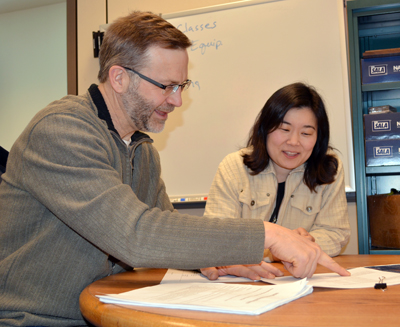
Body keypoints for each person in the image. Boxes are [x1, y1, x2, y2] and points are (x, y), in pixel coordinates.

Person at [0, 12, 349, 327]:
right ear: (119, 78)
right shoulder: (62, 130)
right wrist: (269, 235)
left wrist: (226, 260)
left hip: (105, 310)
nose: (177, 101)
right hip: (37, 318)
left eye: (181, 86)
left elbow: (167, 233)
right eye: (166, 86)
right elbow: (136, 236)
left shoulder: (142, 151)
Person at [203, 82, 351, 272]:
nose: (294, 142)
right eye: (284, 129)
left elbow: (336, 233)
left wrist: (300, 243)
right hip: (245, 280)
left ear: (318, 137)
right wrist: (276, 246)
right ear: (265, 128)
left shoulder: (329, 168)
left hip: (301, 277)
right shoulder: (234, 167)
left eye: (306, 133)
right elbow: (215, 236)